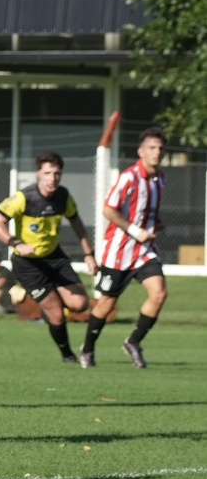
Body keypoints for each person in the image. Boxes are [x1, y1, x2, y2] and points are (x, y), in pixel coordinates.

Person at [0, 152, 98, 364]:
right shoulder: (23, 197)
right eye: (47, 173)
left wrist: (89, 254)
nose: (52, 178)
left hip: (55, 258)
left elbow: (77, 223)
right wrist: (16, 243)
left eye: (57, 173)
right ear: (39, 174)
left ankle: (53, 297)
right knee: (56, 314)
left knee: (79, 303)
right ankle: (67, 355)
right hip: (27, 264)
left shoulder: (63, 196)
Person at [80, 128, 168, 369]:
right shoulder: (129, 177)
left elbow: (147, 211)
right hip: (118, 252)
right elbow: (109, 210)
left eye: (160, 148)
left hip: (144, 251)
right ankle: (87, 349)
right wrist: (135, 230)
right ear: (141, 152)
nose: (157, 152)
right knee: (106, 304)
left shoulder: (159, 178)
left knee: (159, 293)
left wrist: (154, 224)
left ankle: (133, 342)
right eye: (152, 148)